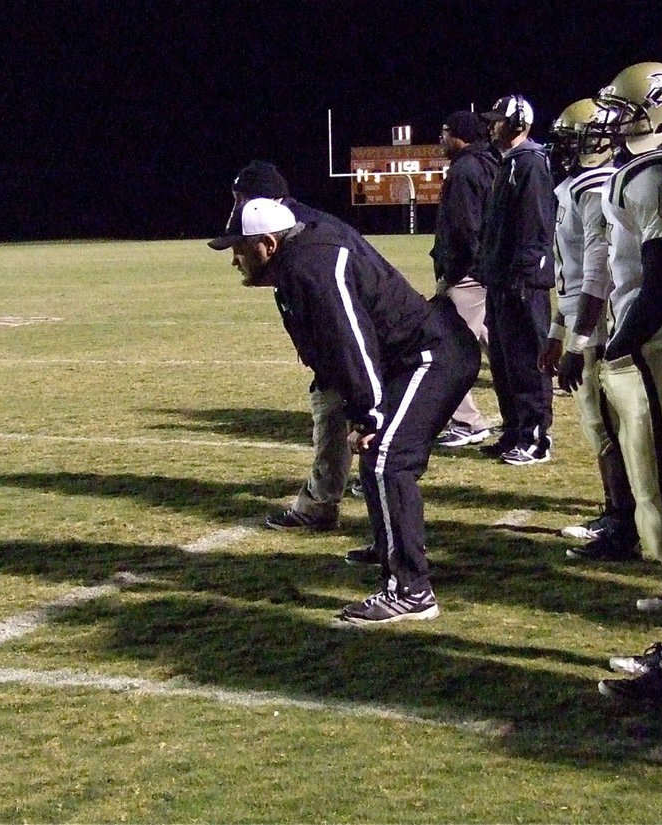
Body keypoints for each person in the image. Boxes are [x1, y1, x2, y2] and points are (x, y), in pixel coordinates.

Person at [210, 199, 479, 624]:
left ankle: (411, 591)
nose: (234, 259)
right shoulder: (300, 261)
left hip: (432, 355)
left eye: (239, 248)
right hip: (414, 355)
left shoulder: (313, 266)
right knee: (378, 458)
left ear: (267, 244)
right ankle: (388, 546)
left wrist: (369, 413)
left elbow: (353, 341)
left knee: (387, 460)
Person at [542, 63, 662, 709]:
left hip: (661, 352)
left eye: (623, 111)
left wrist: (614, 345)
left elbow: (660, 275)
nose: (607, 122)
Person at [223, 160, 354, 533]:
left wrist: (326, 356)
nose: (237, 208)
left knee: (366, 426)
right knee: (337, 409)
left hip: (373, 338)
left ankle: (397, 558)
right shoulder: (298, 229)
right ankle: (322, 504)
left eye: (242, 199)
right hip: (354, 337)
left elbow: (334, 305)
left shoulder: (301, 239)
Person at [537, 99, 635, 547]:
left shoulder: (598, 188)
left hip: (599, 325)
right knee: (601, 428)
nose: (565, 148)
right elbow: (572, 276)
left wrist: (578, 343)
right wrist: (558, 332)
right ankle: (616, 512)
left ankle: (623, 519)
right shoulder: (578, 187)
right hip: (583, 320)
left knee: (606, 427)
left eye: (573, 138)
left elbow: (599, 274)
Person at [477, 94, 557, 466]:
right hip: (502, 279)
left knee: (528, 360)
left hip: (522, 281)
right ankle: (514, 431)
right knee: (506, 362)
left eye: (498, 120)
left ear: (518, 123)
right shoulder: (508, 163)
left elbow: (535, 227)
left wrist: (526, 275)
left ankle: (535, 437)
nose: (492, 126)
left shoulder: (530, 163)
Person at [432, 111, 499, 447]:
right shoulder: (490, 163)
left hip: (468, 276)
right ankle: (525, 418)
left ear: (459, 135)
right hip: (488, 272)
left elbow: (463, 229)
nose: (440, 139)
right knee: (499, 350)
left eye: (444, 131)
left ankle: (468, 422)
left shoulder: (464, 170)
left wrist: (452, 274)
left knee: (447, 350)